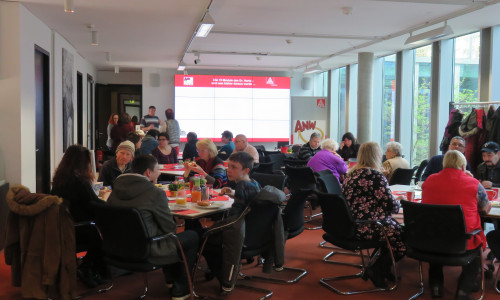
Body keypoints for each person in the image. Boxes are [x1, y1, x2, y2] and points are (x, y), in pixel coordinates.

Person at [107, 154, 198, 300]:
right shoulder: (155, 193)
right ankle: (181, 287)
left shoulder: (115, 190)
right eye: (157, 169)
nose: (159, 173)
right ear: (148, 172)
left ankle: (170, 280)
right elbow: (170, 228)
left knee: (165, 234)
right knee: (192, 236)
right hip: (147, 249)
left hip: (119, 247)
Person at [422, 150, 491, 300]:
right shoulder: (474, 183)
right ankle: (463, 290)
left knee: (437, 238)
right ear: (462, 166)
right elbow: (485, 208)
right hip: (462, 241)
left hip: (431, 240)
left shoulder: (429, 180)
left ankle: (436, 287)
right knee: (475, 254)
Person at [341, 142, 406, 288]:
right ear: (376, 156)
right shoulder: (375, 175)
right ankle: (376, 270)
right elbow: (392, 206)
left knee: (393, 231)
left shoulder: (351, 174)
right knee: (403, 240)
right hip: (368, 225)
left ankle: (382, 269)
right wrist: (399, 202)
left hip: (352, 223)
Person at [204, 152, 261, 293]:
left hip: (239, 232)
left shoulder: (241, 185)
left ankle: (220, 274)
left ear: (246, 170)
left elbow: (235, 216)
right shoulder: (254, 183)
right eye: (228, 166)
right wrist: (234, 193)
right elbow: (248, 198)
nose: (228, 170)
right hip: (255, 232)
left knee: (204, 239)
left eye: (234, 167)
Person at [51, 145, 106, 288]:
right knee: (105, 238)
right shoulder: (79, 182)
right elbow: (94, 204)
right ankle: (86, 269)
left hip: (64, 226)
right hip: (80, 228)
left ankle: (90, 269)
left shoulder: (59, 179)